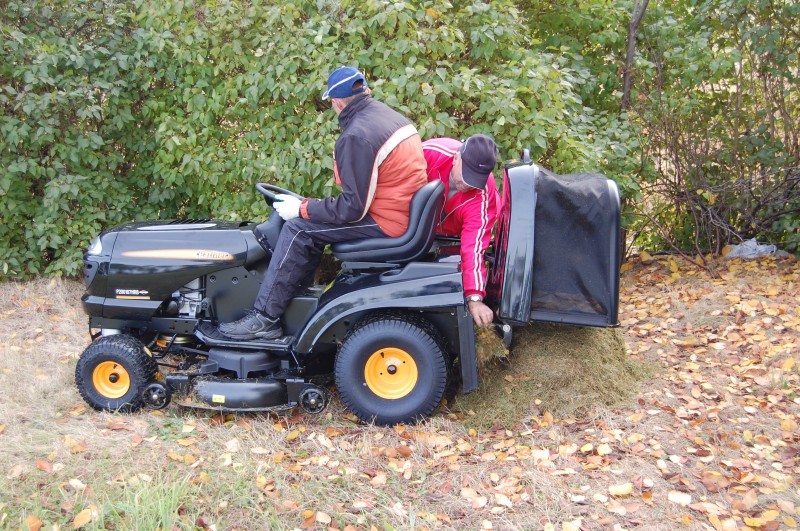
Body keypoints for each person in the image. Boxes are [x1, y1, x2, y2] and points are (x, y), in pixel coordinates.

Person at [218, 66, 428, 340]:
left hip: (387, 221)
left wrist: (302, 208)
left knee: (299, 229)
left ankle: (265, 319)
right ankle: (296, 301)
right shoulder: (391, 118)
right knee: (308, 221)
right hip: (400, 212)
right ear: (365, 91)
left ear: (336, 102)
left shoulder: (357, 136)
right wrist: (306, 204)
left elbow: (352, 209)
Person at [422, 135, 500, 327]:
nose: (466, 185)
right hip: (424, 224)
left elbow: (473, 246)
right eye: (465, 176)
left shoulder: (481, 193)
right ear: (457, 158)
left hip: (454, 231)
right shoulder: (428, 153)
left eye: (475, 181)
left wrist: (474, 299)